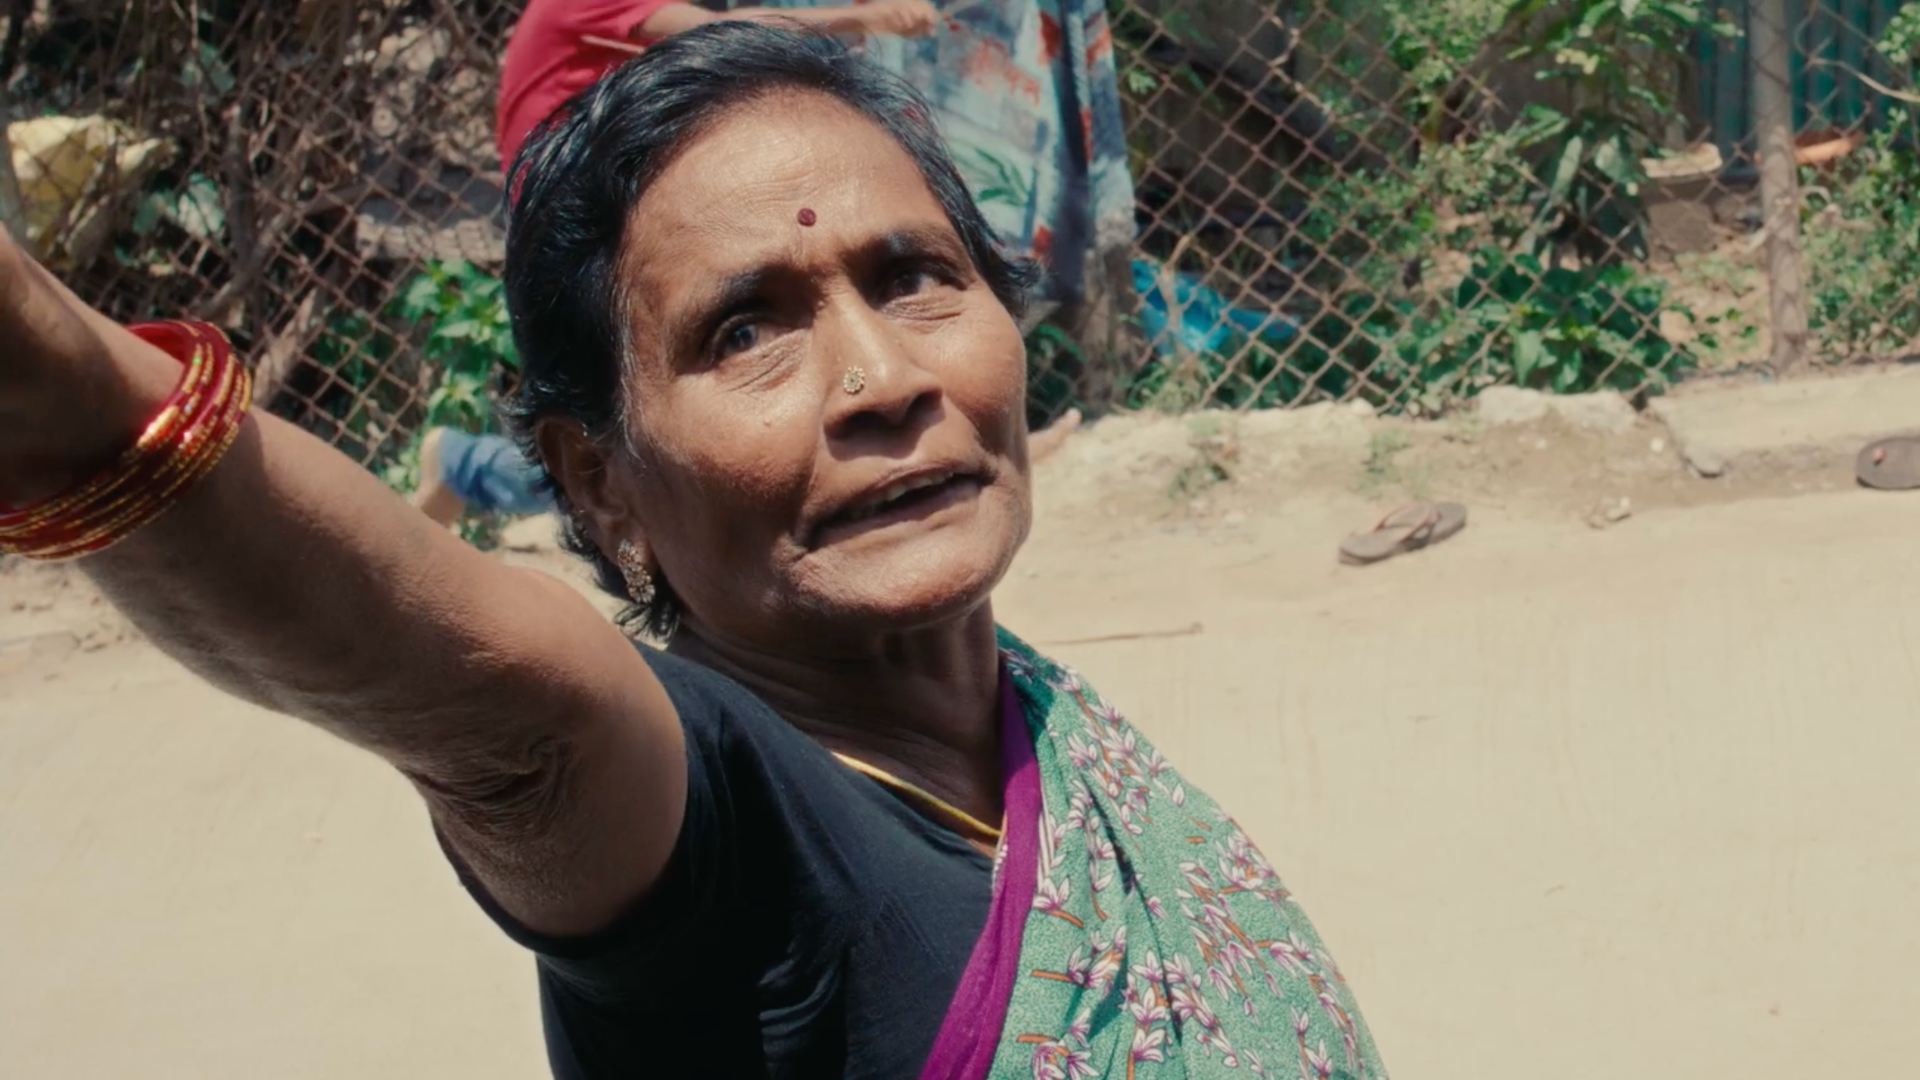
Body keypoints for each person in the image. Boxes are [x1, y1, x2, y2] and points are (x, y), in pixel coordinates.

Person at [0, 24, 1387, 1080]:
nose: (880, 379)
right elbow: (501, 710)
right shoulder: (706, 815)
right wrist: (67, 400)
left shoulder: (1031, 731)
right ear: (600, 487)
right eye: (744, 331)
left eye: (915, 278)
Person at [411, 0, 1078, 527]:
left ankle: (980, 450)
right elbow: (716, 38)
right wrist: (865, 16)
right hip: (582, 239)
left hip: (596, 222)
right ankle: (468, 467)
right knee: (630, 454)